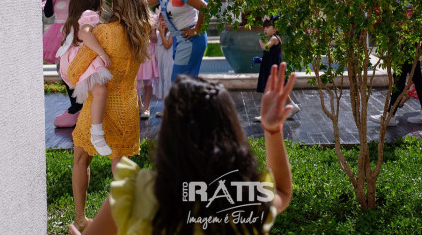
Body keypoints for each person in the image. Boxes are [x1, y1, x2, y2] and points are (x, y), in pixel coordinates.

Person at [69, 63, 295, 235]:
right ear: (230, 131)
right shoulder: (246, 195)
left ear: (169, 134)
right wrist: (272, 130)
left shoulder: (135, 193)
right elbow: (282, 192)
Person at [67, 0, 154, 232]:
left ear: (117, 5)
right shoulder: (142, 31)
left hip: (100, 107)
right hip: (127, 105)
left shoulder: (104, 32)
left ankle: (81, 218)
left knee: (81, 159)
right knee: (120, 165)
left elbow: (74, 71)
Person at [57, 0, 113, 156]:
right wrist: (101, 53)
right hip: (83, 60)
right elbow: (86, 33)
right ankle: (97, 133)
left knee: (94, 96)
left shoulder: (73, 19)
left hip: (70, 62)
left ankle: (92, 129)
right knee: (100, 92)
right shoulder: (89, 15)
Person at [146, 0, 207, 81]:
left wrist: (196, 30)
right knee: (184, 82)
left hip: (191, 39)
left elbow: (205, 8)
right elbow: (143, 2)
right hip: (179, 39)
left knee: (178, 81)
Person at [254, 16, 300, 122]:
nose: (265, 29)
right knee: (280, 89)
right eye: (264, 27)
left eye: (268, 27)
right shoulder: (275, 38)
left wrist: (261, 41)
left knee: (268, 90)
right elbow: (272, 55)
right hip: (272, 68)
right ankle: (293, 106)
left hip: (273, 70)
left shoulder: (274, 38)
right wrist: (262, 60)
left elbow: (266, 47)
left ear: (275, 29)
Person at [137, 15, 159, 120]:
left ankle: (146, 107)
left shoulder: (151, 19)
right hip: (136, 53)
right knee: (134, 82)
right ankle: (139, 105)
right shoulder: (131, 18)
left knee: (147, 82)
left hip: (147, 53)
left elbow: (154, 39)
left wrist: (149, 32)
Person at [154, 13, 174, 118]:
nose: (163, 23)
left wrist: (161, 33)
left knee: (169, 83)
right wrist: (153, 28)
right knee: (163, 83)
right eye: (161, 20)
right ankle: (165, 108)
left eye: (165, 20)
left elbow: (167, 45)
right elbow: (152, 39)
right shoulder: (158, 34)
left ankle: (171, 109)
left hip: (170, 63)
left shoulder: (172, 33)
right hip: (162, 63)